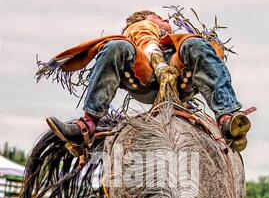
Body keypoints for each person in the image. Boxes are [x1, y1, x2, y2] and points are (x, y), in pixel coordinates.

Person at [43, 10, 252, 151]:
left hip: (179, 78)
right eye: (159, 18)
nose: (166, 21)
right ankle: (88, 124)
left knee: (194, 43)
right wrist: (159, 65)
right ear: (148, 19)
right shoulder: (140, 28)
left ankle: (227, 120)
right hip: (147, 78)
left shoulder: (178, 42)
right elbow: (146, 38)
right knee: (117, 46)